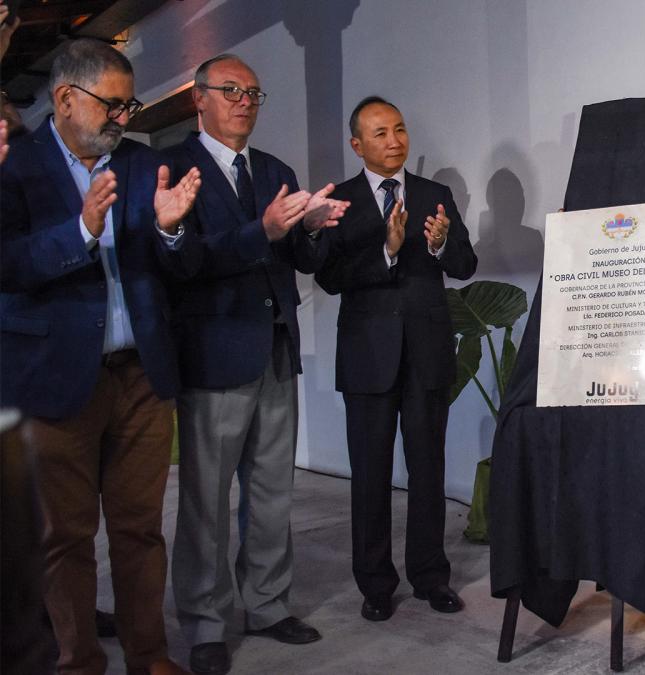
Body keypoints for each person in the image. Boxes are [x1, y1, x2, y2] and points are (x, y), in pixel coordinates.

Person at [0, 38, 201, 674]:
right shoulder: (15, 167)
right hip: (56, 379)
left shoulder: (144, 166)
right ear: (65, 98)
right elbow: (9, 264)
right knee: (65, 538)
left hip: (140, 376)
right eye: (111, 105)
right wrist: (82, 232)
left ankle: (150, 656)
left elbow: (176, 265)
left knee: (141, 529)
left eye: (128, 105)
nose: (123, 118)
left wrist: (170, 230)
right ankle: (78, 662)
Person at [166, 54, 347, 675]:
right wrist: (263, 232)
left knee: (271, 493)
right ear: (200, 98)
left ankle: (267, 605)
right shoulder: (173, 168)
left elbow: (299, 256)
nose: (244, 101)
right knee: (207, 502)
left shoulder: (274, 169)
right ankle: (205, 623)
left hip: (275, 347)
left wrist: (315, 227)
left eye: (253, 92)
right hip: (214, 354)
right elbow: (183, 262)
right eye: (231, 90)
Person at [314, 96, 476, 621]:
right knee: (370, 473)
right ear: (357, 144)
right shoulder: (339, 201)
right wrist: (384, 250)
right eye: (380, 133)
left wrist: (440, 243)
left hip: (426, 354)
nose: (394, 141)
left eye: (400, 129)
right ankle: (376, 584)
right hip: (367, 357)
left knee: (428, 469)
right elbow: (330, 278)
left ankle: (431, 576)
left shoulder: (435, 195)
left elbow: (466, 265)